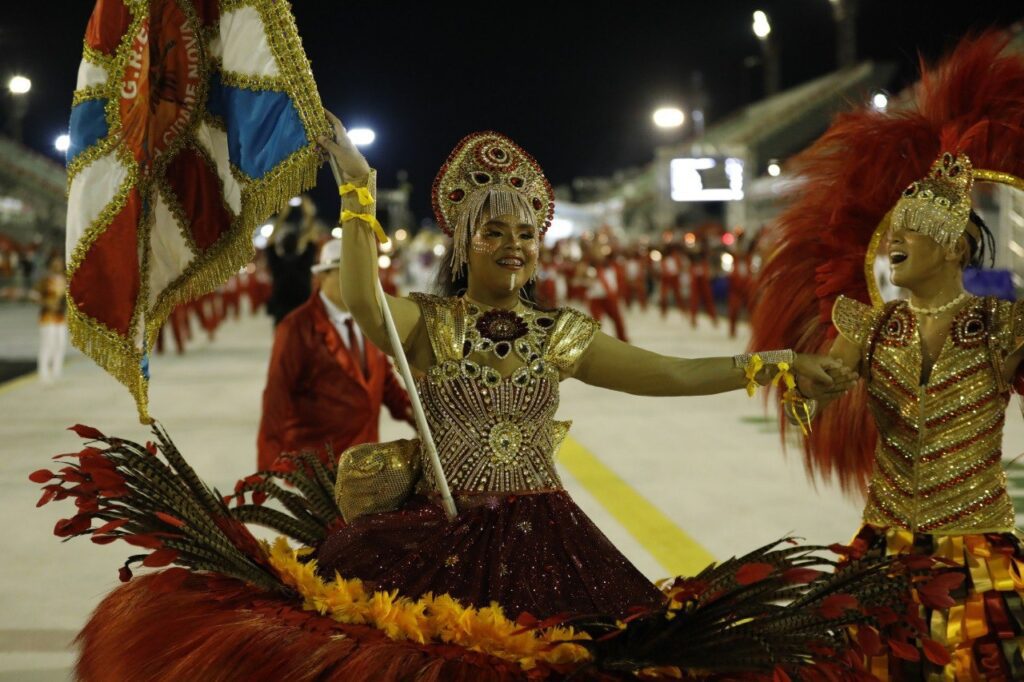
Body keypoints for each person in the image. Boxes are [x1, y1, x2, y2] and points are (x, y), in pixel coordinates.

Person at [39, 125, 921, 682]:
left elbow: (666, 373)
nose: (508, 244)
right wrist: (354, 195)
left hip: (550, 539)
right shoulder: (427, 323)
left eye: (521, 233)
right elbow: (357, 296)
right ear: (465, 243)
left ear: (538, 249)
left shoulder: (560, 333)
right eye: (491, 230)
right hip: (437, 533)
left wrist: (765, 367)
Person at [749, 33, 1024, 677]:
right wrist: (804, 386)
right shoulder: (869, 323)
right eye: (893, 231)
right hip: (887, 546)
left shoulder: (999, 321)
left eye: (915, 232)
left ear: (956, 248)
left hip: (978, 545)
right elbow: (825, 380)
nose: (896, 240)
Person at [257, 238, 413, 470]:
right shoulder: (296, 328)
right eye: (346, 273)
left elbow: (383, 379)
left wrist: (415, 415)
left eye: (360, 274)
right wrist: (268, 468)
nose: (356, 283)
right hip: (318, 467)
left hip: (365, 465)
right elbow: (277, 398)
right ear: (322, 277)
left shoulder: (370, 321)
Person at [265, 196, 319, 326]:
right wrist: (309, 214)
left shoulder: (277, 264)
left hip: (281, 314)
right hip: (303, 312)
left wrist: (282, 216)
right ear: (297, 244)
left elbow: (269, 243)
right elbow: (312, 239)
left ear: (281, 246)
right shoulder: (304, 262)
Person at [34, 254, 67, 384]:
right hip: (47, 316)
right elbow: (34, 295)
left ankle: (56, 370)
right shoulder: (45, 280)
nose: (57, 265)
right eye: (55, 263)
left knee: (60, 343)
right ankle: (43, 371)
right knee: (48, 343)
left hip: (61, 316)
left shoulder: (65, 280)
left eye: (59, 263)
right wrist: (45, 302)